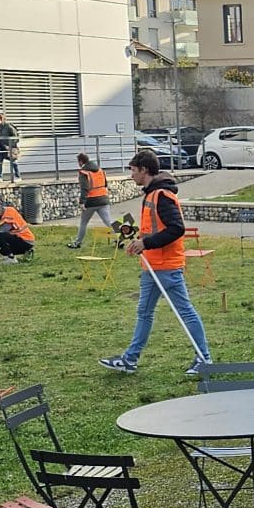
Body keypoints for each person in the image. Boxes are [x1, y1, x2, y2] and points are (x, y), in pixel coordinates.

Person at [99, 149, 211, 374]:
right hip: (151, 266)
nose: (131, 175)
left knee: (184, 311)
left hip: (167, 267)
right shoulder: (151, 194)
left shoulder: (162, 195)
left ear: (144, 170)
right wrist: (137, 241)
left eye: (133, 170)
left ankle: (204, 358)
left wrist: (146, 243)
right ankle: (130, 359)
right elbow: (153, 228)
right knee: (144, 312)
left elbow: (176, 229)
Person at [66, 153, 114, 249]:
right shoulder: (100, 170)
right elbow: (105, 184)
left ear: (81, 162)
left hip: (91, 201)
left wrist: (82, 202)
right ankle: (119, 239)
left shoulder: (84, 173)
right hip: (104, 199)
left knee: (83, 223)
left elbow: (84, 188)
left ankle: (77, 243)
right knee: (108, 221)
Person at [0, 113, 20, 182]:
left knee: (13, 161)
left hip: (9, 147)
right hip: (1, 147)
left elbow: (15, 136)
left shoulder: (8, 126)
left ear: (2, 120)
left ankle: (18, 176)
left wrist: (11, 145)